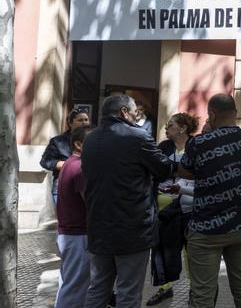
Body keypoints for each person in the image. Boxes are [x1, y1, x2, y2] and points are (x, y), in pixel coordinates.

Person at [81, 95, 173, 308]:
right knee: (128, 292)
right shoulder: (137, 137)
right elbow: (163, 168)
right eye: (134, 113)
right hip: (132, 228)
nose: (136, 117)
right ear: (123, 112)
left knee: (98, 288)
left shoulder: (91, 139)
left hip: (98, 226)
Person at [175, 94, 241, 308]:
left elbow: (184, 172)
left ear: (211, 114)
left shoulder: (199, 143)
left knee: (203, 292)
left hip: (206, 230)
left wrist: (206, 173)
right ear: (235, 114)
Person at [145, 112, 200, 306]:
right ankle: (165, 288)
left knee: (190, 249)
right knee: (163, 249)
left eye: (170, 125)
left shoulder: (196, 145)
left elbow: (197, 171)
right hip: (163, 205)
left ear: (183, 128)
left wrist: (172, 167)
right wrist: (177, 168)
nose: (166, 128)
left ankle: (195, 289)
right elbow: (157, 168)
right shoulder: (164, 146)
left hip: (188, 206)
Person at [55, 124, 94, 308]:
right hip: (78, 235)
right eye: (92, 141)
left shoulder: (70, 163)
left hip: (70, 234)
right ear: (79, 144)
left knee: (69, 285)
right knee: (75, 289)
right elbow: (91, 202)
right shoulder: (79, 167)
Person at [40, 108, 91, 202]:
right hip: (63, 187)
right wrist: (66, 165)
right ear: (70, 123)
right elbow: (45, 161)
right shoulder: (57, 141)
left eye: (86, 120)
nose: (84, 123)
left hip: (86, 186)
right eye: (80, 120)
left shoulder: (93, 138)